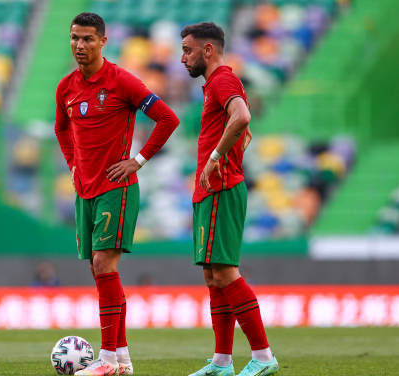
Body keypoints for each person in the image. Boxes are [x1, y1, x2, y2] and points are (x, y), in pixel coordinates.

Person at [54, 12, 180, 376]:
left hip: (116, 187)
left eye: (88, 39)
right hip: (85, 189)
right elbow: (61, 129)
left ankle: (107, 360)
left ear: (103, 41)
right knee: (100, 271)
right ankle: (121, 358)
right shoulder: (66, 87)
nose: (80, 45)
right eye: (75, 38)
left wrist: (138, 160)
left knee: (103, 265)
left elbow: (167, 118)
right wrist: (73, 164)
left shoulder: (122, 81)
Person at [180, 22, 279, 376]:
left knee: (224, 272)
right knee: (212, 275)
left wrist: (215, 156)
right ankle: (222, 361)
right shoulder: (215, 85)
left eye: (188, 50)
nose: (182, 58)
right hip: (210, 189)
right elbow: (237, 119)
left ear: (208, 50)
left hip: (221, 186)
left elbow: (242, 116)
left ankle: (264, 356)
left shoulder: (222, 79)